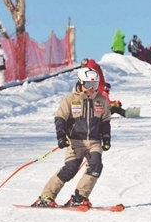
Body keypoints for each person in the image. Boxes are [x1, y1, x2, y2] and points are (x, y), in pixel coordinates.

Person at [32, 68, 112, 207]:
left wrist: (106, 138)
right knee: (70, 168)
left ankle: (79, 197)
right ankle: (46, 197)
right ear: (80, 83)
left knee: (96, 165)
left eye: (94, 85)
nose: (91, 89)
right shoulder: (70, 99)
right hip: (76, 141)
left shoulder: (101, 100)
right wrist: (61, 136)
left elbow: (105, 122)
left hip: (94, 141)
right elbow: (60, 118)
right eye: (88, 85)